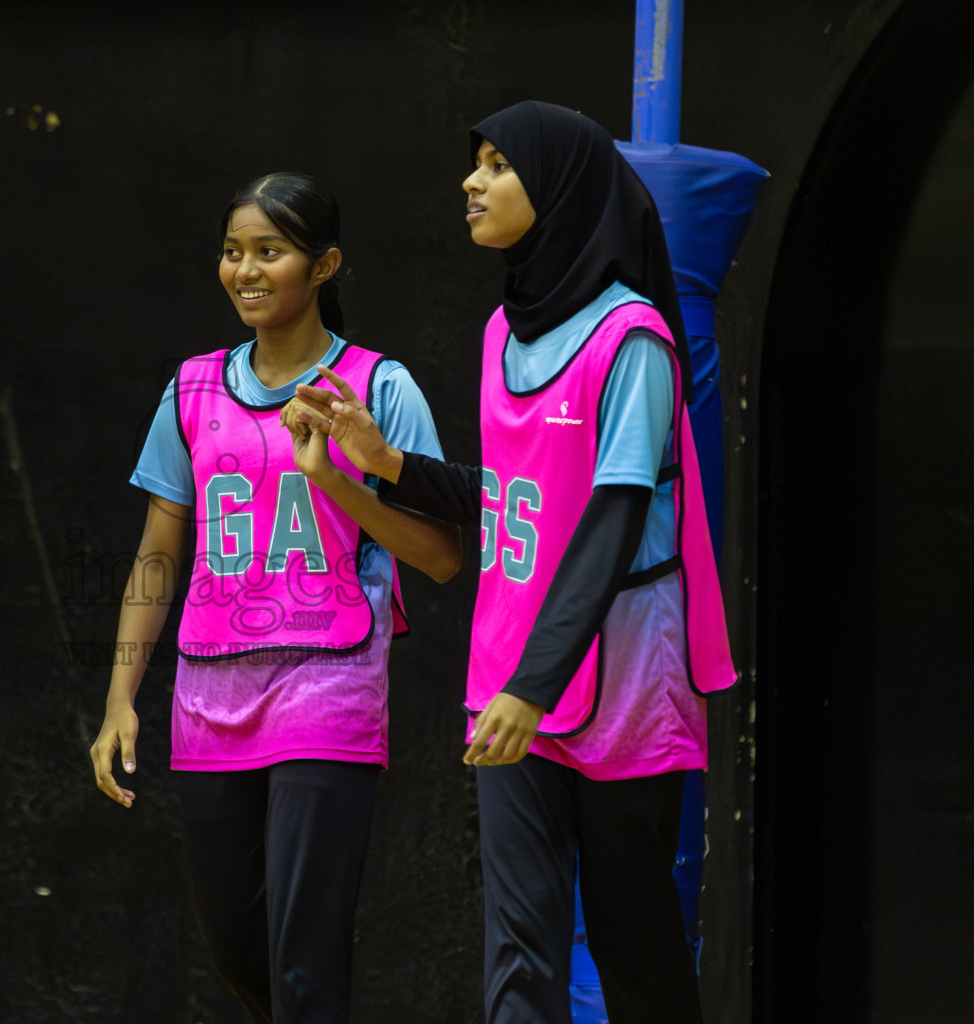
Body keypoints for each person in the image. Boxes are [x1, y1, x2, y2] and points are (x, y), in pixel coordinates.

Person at [282, 101, 737, 1023]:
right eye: (475, 163)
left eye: (496, 165)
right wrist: (388, 464)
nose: (471, 182)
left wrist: (536, 684)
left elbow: (612, 524)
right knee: (518, 950)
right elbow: (511, 502)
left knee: (634, 944)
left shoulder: (632, 340)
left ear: (559, 188)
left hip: (619, 682)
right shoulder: (504, 331)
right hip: (512, 673)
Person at [89, 172, 461, 1024]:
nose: (246, 271)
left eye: (271, 252)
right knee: (237, 953)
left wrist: (337, 479)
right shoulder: (191, 390)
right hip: (206, 701)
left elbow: (441, 557)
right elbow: (157, 553)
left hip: (328, 696)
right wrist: (119, 698)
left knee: (304, 962)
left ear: (323, 265)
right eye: (232, 252)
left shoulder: (380, 388)